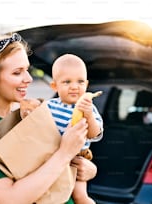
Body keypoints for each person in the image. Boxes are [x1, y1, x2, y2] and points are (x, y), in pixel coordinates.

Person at [0, 33, 97, 204]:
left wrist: (86, 169)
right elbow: (10, 199)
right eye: (17, 73)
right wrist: (64, 154)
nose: (29, 79)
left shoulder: (24, 118)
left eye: (27, 70)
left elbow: (48, 166)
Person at [47, 54, 104, 204]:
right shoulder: (49, 106)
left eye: (80, 81)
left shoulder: (89, 108)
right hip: (51, 155)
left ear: (86, 84)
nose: (74, 86)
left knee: (80, 197)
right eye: (67, 82)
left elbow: (94, 134)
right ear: (55, 86)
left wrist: (89, 116)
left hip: (77, 158)